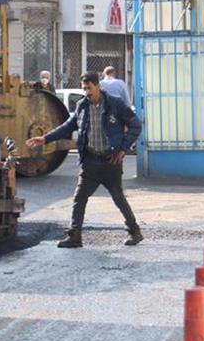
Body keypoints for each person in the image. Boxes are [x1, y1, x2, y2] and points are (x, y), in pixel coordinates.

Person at [25, 71, 143, 248]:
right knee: (79, 198)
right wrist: (45, 138)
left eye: (89, 88)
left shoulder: (115, 104)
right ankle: (75, 236)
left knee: (118, 198)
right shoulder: (82, 106)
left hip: (111, 161)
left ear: (98, 86)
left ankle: (135, 232)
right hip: (90, 162)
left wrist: (123, 148)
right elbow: (67, 127)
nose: (87, 92)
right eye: (84, 88)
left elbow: (135, 125)